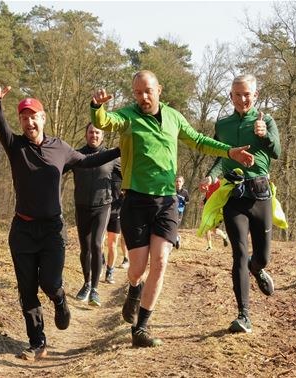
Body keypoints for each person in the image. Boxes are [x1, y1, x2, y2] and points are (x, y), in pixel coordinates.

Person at [90, 70, 255, 347]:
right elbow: (105, 121)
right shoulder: (129, 117)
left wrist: (229, 151)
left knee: (162, 261)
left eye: (148, 91)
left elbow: (199, 140)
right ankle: (133, 288)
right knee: (137, 268)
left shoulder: (174, 117)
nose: (143, 97)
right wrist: (97, 107)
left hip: (166, 201)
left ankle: (140, 329)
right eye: (138, 92)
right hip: (136, 200)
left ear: (159, 90)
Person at [0, 86, 120, 361]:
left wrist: (120, 149)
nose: (29, 122)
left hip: (52, 230)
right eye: (24, 118)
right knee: (26, 290)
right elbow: (1, 127)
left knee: (49, 282)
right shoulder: (16, 147)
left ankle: (60, 300)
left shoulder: (60, 148)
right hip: (22, 229)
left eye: (33, 116)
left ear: (43, 118)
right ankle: (38, 343)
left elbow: (88, 160)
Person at [201, 74, 281, 334]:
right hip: (234, 195)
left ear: (255, 95)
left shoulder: (265, 120)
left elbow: (277, 152)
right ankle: (243, 315)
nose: (242, 99)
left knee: (262, 257)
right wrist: (211, 175)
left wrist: (265, 135)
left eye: (247, 94)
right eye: (238, 94)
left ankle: (256, 269)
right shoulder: (222, 124)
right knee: (238, 253)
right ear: (231, 96)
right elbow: (221, 156)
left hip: (260, 195)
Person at [69, 123, 120, 306]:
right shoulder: (76, 155)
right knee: (85, 248)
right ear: (86, 134)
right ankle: (86, 283)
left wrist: (121, 195)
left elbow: (125, 176)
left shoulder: (112, 157)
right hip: (81, 206)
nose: (94, 135)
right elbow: (58, 170)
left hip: (103, 206)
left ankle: (95, 290)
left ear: (102, 135)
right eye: (91, 132)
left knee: (97, 244)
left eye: (97, 132)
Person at [104, 161, 125, 283]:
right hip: (102, 212)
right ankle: (101, 260)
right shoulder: (102, 170)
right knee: (99, 243)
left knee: (112, 244)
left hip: (116, 212)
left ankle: (110, 271)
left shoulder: (122, 173)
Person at [200, 179, 229, 251]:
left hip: (218, 209)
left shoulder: (220, 183)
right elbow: (208, 195)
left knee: (214, 230)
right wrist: (204, 201)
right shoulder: (208, 184)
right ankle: (209, 246)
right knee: (207, 227)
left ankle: (224, 236)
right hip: (209, 209)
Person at [174, 175, 190, 249]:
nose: (178, 183)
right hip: (171, 211)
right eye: (176, 181)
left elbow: (188, 201)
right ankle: (176, 239)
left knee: (175, 227)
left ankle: (177, 239)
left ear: (182, 183)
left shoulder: (185, 192)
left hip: (180, 212)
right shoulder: (171, 191)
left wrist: (184, 202)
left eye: (179, 181)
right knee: (171, 227)